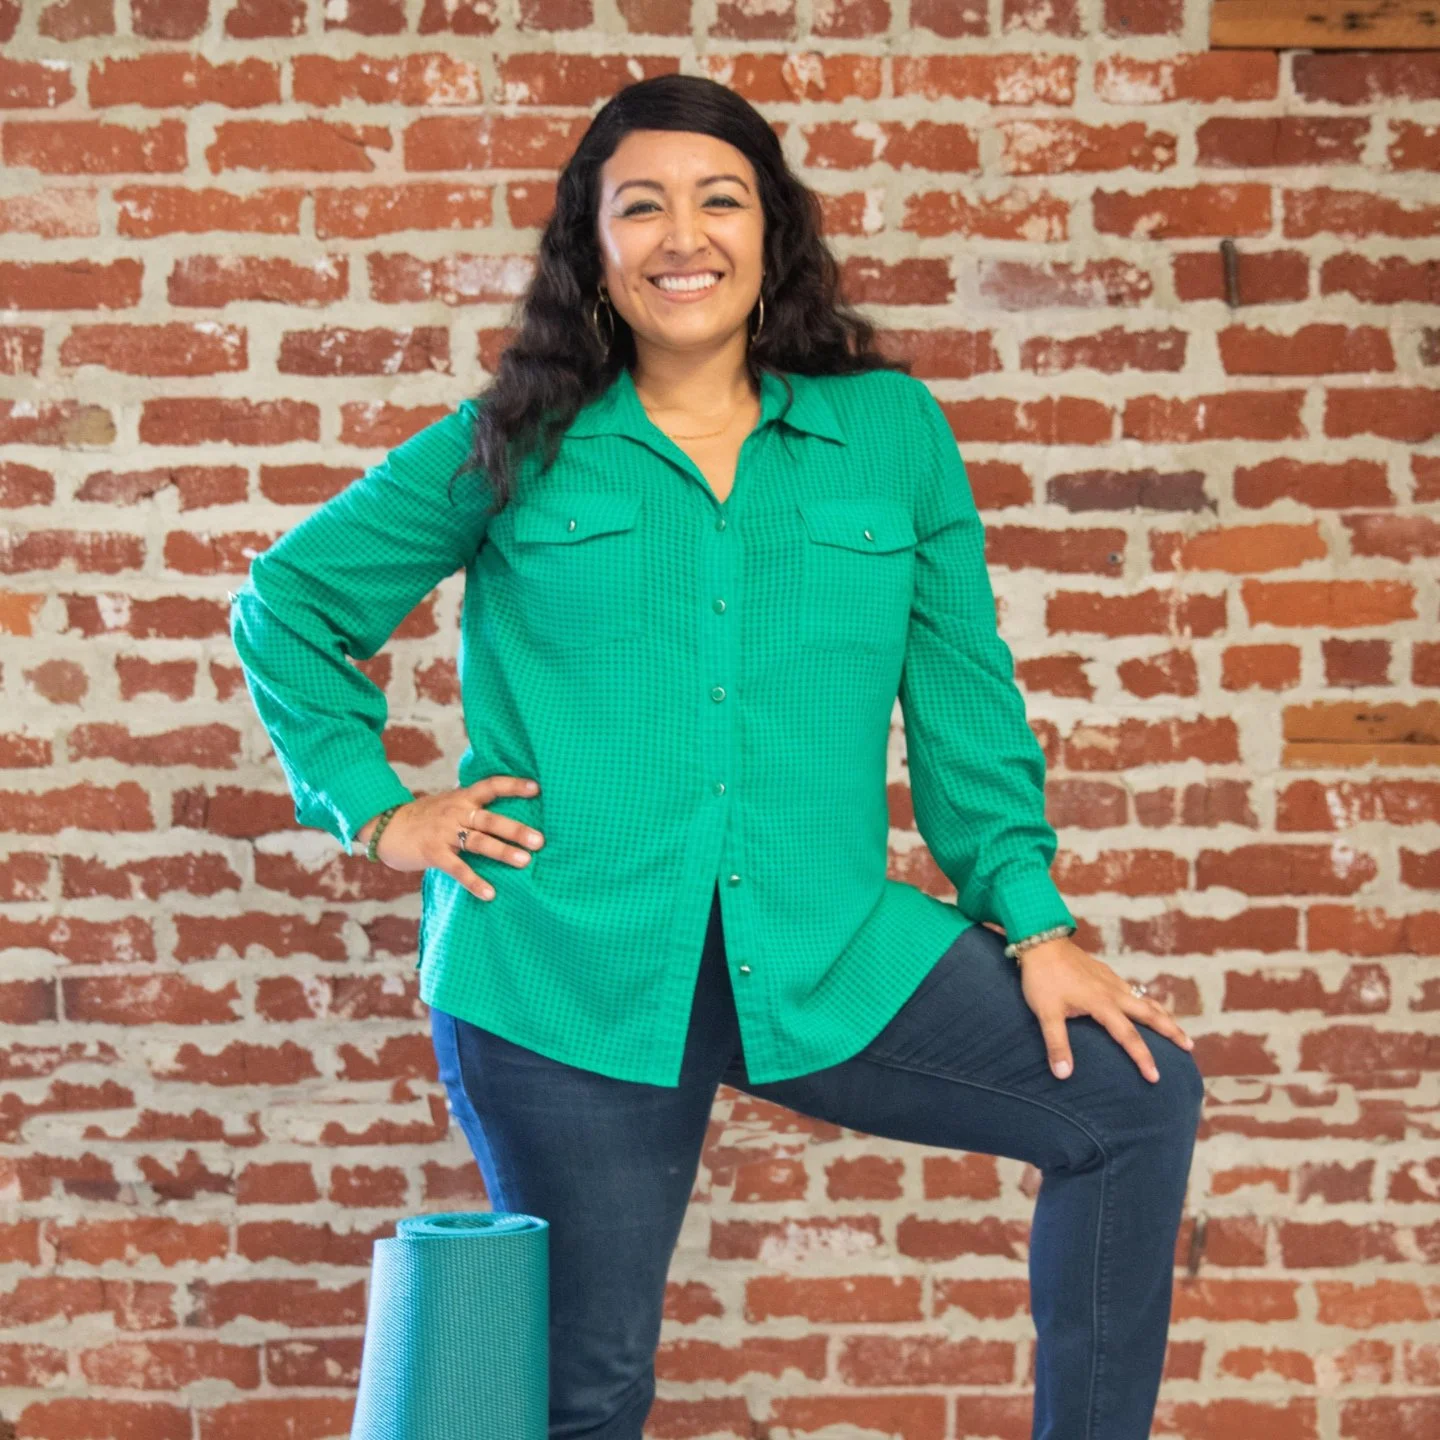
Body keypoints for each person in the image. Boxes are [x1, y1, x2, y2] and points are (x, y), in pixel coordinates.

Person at [230, 73, 1204, 1440]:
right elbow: (287, 607)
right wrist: (384, 813)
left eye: (719, 198)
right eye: (642, 207)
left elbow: (964, 703)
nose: (683, 234)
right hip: (563, 971)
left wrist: (1034, 923)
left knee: (1130, 1100)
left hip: (821, 947)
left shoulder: (888, 437)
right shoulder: (513, 445)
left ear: (771, 233)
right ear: (596, 251)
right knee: (593, 1383)